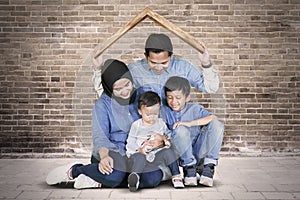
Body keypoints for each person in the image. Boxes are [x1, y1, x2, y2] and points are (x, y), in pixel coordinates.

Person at [46, 59, 164, 190]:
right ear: (109, 87)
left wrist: (159, 139)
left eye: (127, 84)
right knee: (116, 174)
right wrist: (104, 156)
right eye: (118, 89)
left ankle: (97, 180)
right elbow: (100, 137)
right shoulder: (102, 105)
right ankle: (76, 170)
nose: (125, 91)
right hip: (111, 151)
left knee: (154, 177)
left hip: (136, 154)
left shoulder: (142, 97)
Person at [92, 33, 220, 98]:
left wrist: (206, 64)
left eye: (164, 63)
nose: (159, 67)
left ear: (171, 56)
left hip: (176, 123)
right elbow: (109, 94)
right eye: (153, 62)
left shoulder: (184, 67)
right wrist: (98, 69)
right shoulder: (134, 70)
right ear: (145, 56)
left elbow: (211, 88)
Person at [161, 76, 224, 187]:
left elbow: (213, 118)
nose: (174, 101)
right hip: (177, 153)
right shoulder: (164, 111)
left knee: (217, 125)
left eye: (178, 97)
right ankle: (189, 168)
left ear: (187, 97)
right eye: (169, 97)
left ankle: (208, 166)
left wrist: (189, 123)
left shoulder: (195, 109)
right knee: (180, 129)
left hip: (197, 151)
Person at [126, 91, 184, 191]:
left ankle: (176, 176)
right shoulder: (136, 125)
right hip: (141, 156)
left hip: (156, 157)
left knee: (168, 152)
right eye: (148, 114)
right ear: (140, 111)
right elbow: (130, 142)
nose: (152, 117)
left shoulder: (160, 123)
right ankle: (135, 177)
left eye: (155, 113)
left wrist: (164, 139)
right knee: (139, 157)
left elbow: (169, 136)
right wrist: (140, 149)